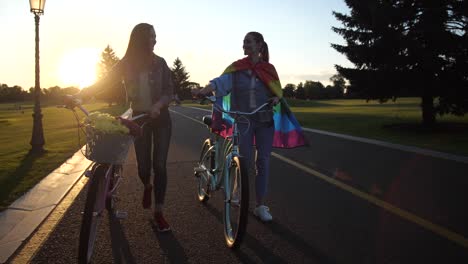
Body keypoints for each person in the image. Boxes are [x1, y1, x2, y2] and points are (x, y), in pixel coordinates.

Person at [192, 31, 306, 222]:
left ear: (260, 45)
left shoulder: (269, 69)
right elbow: (219, 83)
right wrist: (204, 90)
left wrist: (275, 98)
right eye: (244, 42)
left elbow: (277, 92)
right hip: (244, 121)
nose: (245, 45)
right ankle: (236, 193)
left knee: (263, 161)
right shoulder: (237, 68)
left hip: (264, 121)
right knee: (242, 160)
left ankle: (260, 205)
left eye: (249, 42)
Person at [76, 23, 174, 232]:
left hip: (161, 118)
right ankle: (147, 185)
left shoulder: (161, 63)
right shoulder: (126, 63)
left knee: (160, 165)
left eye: (155, 36)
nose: (155, 40)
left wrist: (158, 105)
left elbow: (169, 90)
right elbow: (103, 81)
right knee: (143, 166)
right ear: (140, 39)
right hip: (139, 119)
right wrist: (80, 95)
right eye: (151, 36)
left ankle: (159, 212)